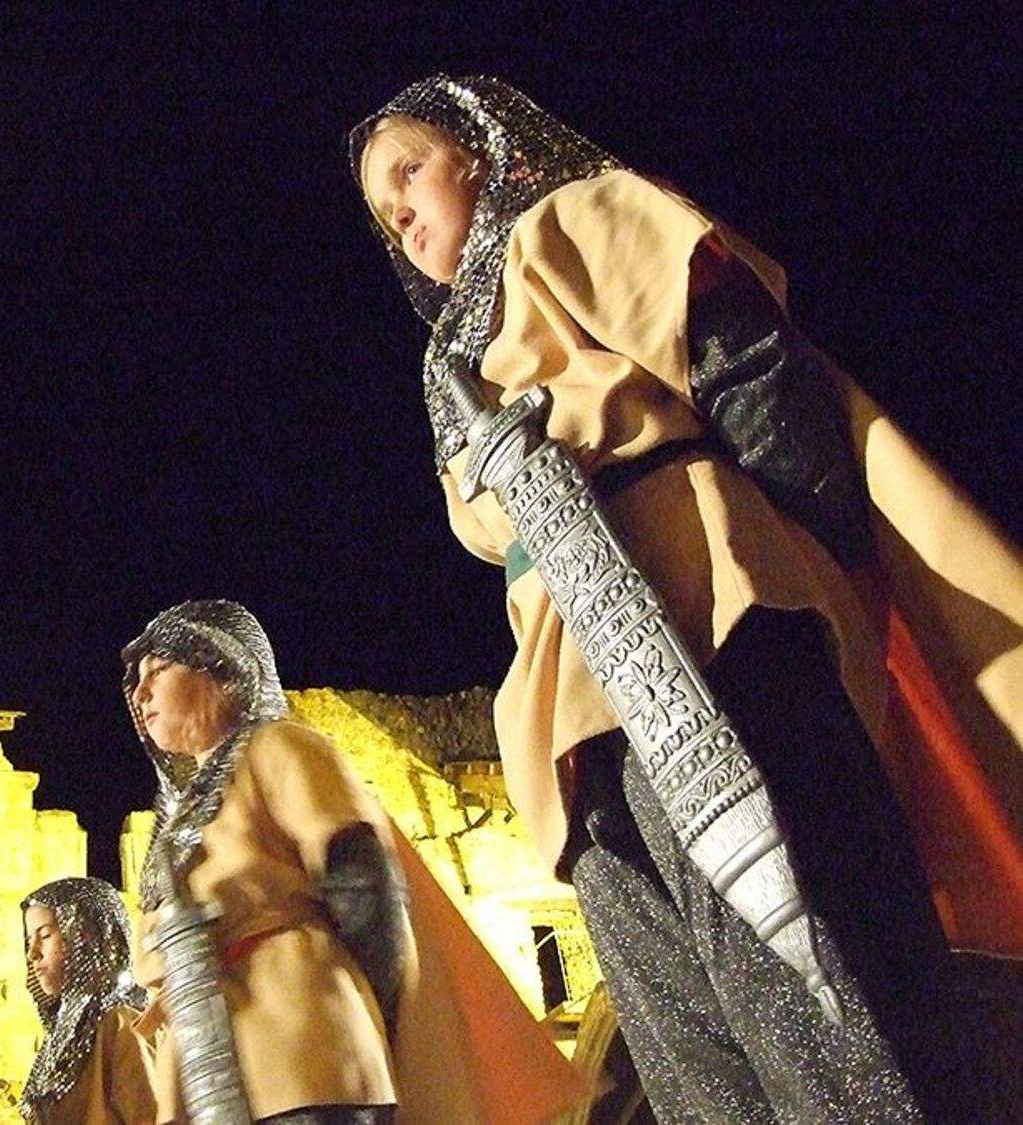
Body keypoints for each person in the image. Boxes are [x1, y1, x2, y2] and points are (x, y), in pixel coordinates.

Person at [348, 74, 1023, 1122]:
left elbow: (745, 361)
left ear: (478, 148)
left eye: (409, 171)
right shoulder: (455, 373)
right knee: (695, 1058)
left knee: (819, 993)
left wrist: (810, 561)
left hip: (707, 615)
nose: (401, 215)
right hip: (573, 710)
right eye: (384, 215)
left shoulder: (569, 219)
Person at [123, 599, 584, 1125]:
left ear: (225, 671)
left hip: (302, 1056)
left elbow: (361, 877)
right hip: (208, 1069)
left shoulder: (277, 746)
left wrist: (365, 1009)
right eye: (137, 680)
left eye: (160, 669)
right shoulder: (180, 821)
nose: (141, 693)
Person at [20, 877, 157, 1124]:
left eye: (45, 935)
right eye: (29, 940)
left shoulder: (120, 1025)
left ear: (84, 936)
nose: (33, 953)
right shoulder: (63, 1038)